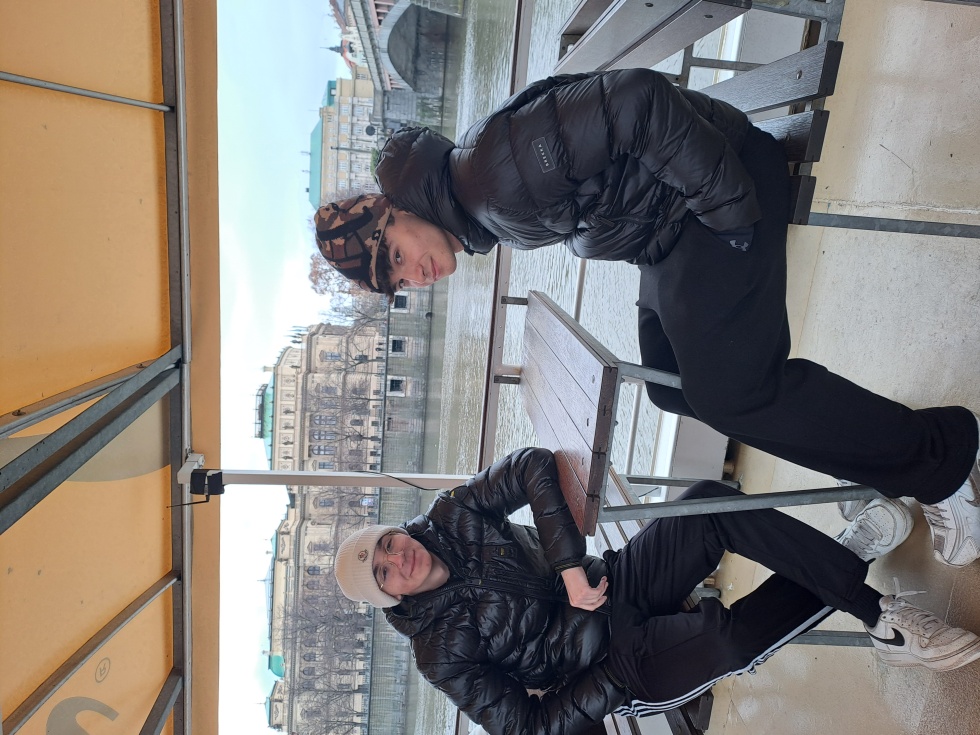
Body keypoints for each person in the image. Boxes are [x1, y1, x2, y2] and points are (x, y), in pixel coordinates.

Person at [314, 68, 980, 568]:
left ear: (398, 209)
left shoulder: (490, 175)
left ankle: (942, 462)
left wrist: (728, 211)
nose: (414, 274)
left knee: (735, 392)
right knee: (670, 386)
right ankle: (875, 454)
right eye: (399, 282)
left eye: (397, 255)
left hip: (719, 191)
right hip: (671, 233)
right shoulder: (478, 198)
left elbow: (636, 100)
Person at [334, 447, 980, 735]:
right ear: (390, 598)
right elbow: (527, 727)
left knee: (705, 504)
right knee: (727, 640)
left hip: (616, 580)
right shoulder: (439, 653)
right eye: (384, 572)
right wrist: (608, 682)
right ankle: (847, 556)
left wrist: (568, 565)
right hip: (613, 667)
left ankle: (876, 612)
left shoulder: (452, 516)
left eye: (387, 542)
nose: (398, 558)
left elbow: (530, 466)